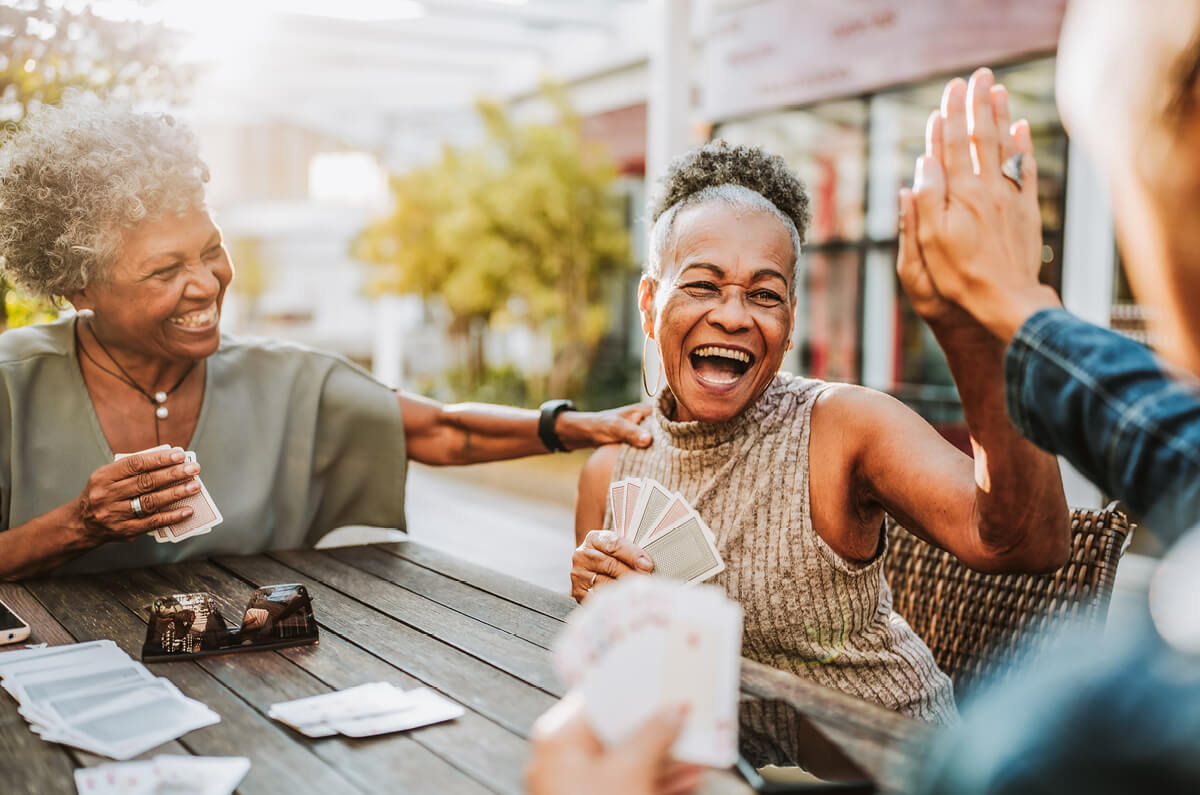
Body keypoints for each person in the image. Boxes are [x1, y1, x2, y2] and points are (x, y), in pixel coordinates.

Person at [0, 98, 652, 581]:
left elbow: (443, 430)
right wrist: (79, 525)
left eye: (211, 250)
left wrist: (573, 426)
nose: (206, 284)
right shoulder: (11, 384)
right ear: (78, 288)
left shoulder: (288, 380)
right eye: (165, 271)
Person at [568, 139, 1070, 726]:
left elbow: (1029, 543)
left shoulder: (842, 427)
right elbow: (618, 684)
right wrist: (600, 613)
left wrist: (994, 324)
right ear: (650, 304)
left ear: (790, 324)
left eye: (765, 295)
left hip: (888, 757)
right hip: (721, 765)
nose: (733, 316)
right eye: (702, 285)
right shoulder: (611, 468)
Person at [891, 0, 1200, 789]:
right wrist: (1014, 312)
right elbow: (1182, 443)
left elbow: (1020, 539)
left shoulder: (1071, 741)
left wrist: (1012, 307)